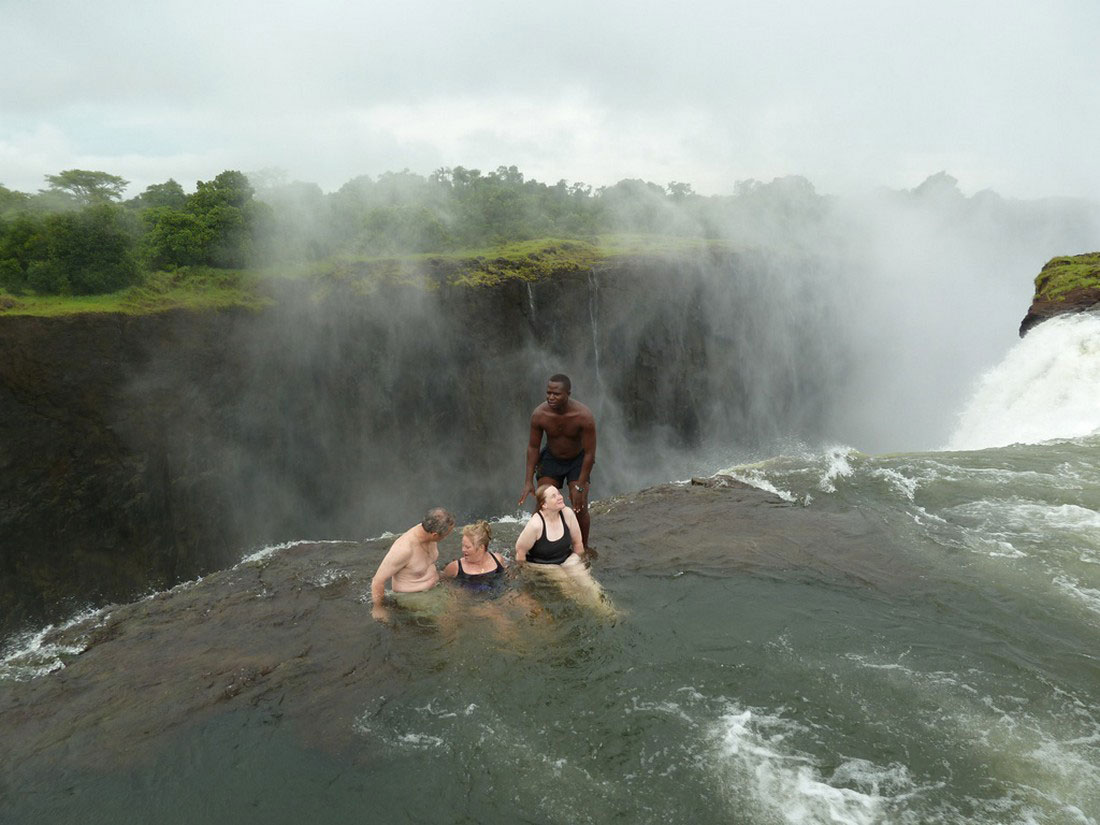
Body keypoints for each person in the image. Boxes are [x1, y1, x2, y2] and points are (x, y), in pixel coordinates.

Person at [518, 374, 597, 551]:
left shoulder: (583, 416)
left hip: (577, 460)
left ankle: (582, 547)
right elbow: (533, 447)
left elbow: (590, 454)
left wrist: (580, 486)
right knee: (542, 502)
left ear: (568, 393)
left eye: (556, 394)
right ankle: (536, 547)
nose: (551, 397)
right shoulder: (540, 414)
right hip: (551, 459)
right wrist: (528, 481)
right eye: (548, 393)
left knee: (580, 504)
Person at [516, 484, 613, 615]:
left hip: (567, 559)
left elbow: (578, 544)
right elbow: (520, 553)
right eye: (553, 496)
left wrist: (583, 563)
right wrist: (526, 580)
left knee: (588, 583)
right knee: (567, 585)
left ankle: (609, 612)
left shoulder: (567, 513)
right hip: (545, 564)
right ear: (544, 504)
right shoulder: (535, 525)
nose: (560, 497)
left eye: (559, 494)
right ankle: (591, 612)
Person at [370, 507, 455, 622]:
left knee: (462, 606)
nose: (446, 537)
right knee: (447, 619)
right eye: (446, 535)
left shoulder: (428, 530)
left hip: (434, 588)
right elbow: (377, 580)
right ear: (435, 535)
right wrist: (378, 608)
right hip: (411, 596)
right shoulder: (404, 549)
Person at [442, 520, 508, 593]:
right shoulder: (455, 567)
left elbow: (507, 578)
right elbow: (443, 582)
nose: (463, 550)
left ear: (481, 547)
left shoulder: (498, 560)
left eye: (467, 547)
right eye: (463, 545)